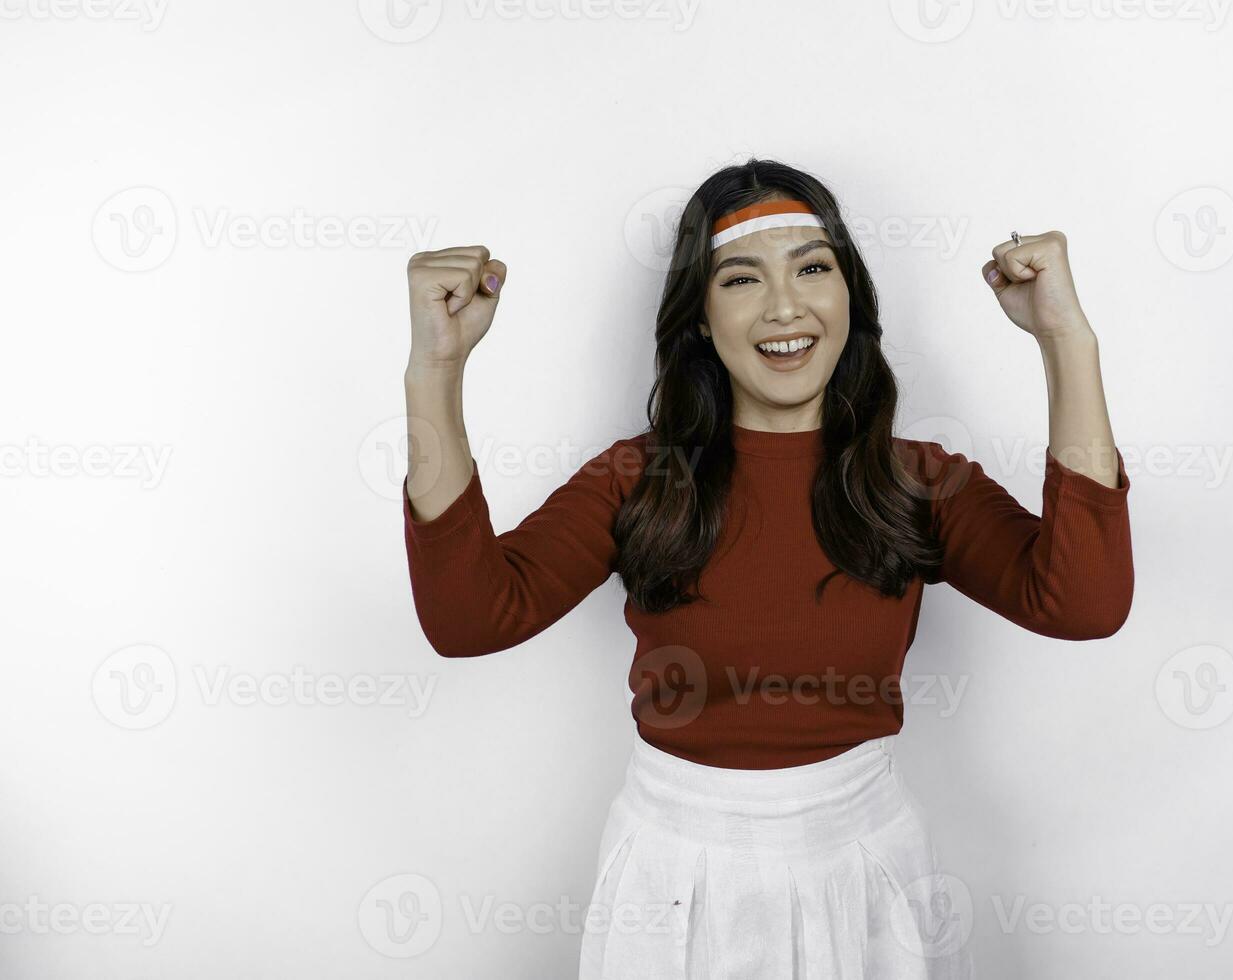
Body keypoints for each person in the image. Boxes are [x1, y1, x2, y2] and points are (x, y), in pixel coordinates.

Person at [400, 158, 1133, 978]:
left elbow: (1084, 602)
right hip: (673, 880)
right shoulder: (638, 480)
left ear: (849, 296)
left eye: (813, 269)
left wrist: (1068, 339)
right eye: (742, 279)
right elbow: (469, 618)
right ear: (701, 321)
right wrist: (436, 371)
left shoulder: (919, 481)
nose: (786, 307)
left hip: (869, 879)